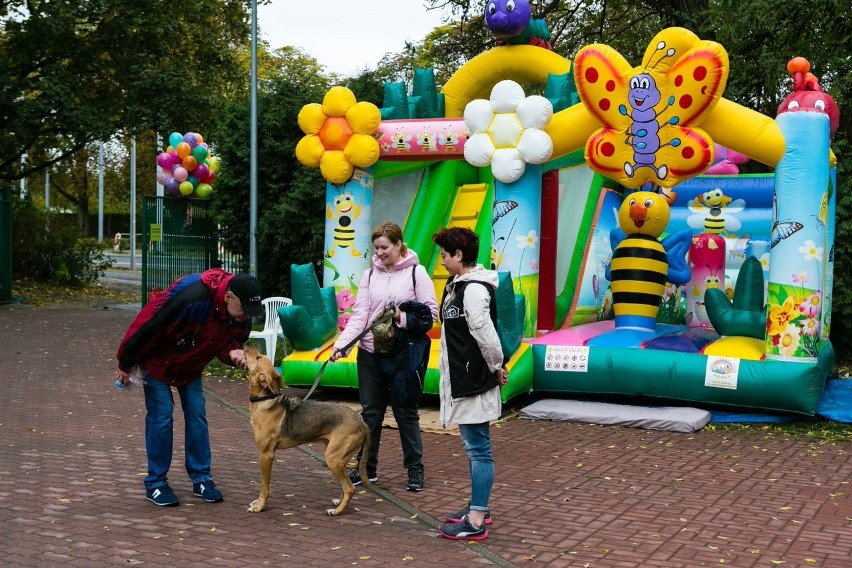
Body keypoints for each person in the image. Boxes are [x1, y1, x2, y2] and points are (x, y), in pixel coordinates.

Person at [115, 269, 264, 507]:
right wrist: (126, 361)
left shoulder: (239, 313)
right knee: (162, 416)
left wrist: (233, 351)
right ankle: (156, 483)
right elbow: (149, 324)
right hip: (158, 361)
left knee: (197, 413)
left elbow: (229, 340)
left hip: (191, 364)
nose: (247, 315)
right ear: (228, 298)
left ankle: (202, 478)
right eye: (244, 309)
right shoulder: (191, 295)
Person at [329, 222, 438, 492]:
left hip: (404, 354)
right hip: (370, 353)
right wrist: (342, 345)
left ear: (399, 245)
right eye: (376, 248)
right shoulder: (369, 276)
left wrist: (402, 317)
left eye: (384, 247)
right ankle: (367, 468)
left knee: (406, 413)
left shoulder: (417, 273)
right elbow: (360, 317)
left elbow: (431, 315)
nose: (379, 253)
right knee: (371, 415)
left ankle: (415, 470)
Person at [431, 227, 508, 541]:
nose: (442, 260)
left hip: (473, 379)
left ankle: (475, 520)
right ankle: (480, 507)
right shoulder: (456, 285)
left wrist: (496, 366)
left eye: (445, 254)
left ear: (458, 256)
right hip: (464, 377)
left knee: (479, 450)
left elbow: (485, 334)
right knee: (474, 447)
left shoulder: (473, 289)